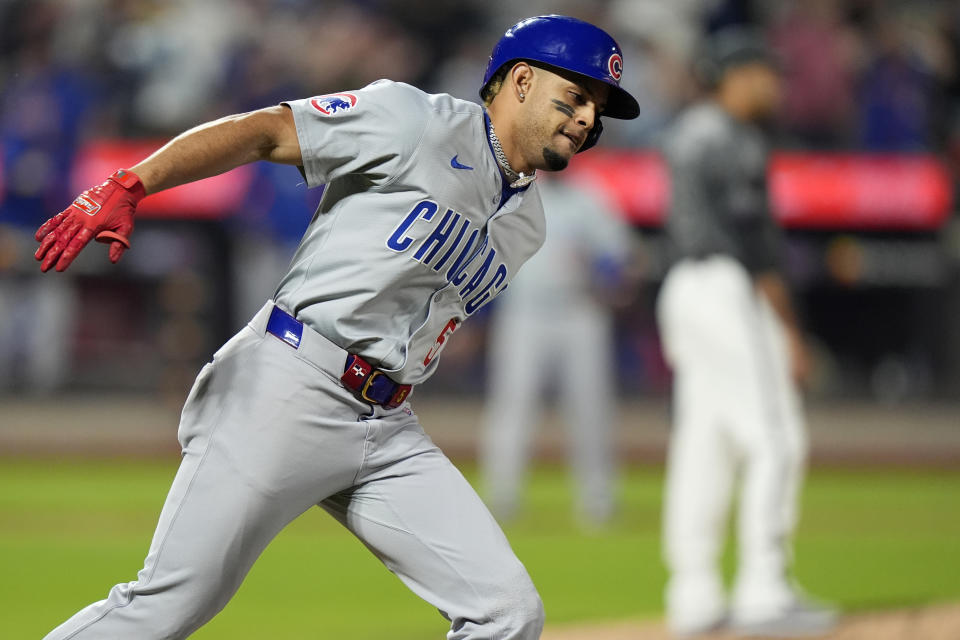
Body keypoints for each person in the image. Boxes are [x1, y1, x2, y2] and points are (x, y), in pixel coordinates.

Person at [33, 15, 639, 640]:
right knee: (169, 604)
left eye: (598, 108)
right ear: (519, 81)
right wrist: (132, 182)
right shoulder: (416, 119)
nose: (589, 118)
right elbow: (264, 132)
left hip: (388, 425)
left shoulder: (528, 224)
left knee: (506, 612)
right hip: (288, 386)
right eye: (576, 96)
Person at [655, 29, 837, 637]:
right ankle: (765, 588)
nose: (771, 82)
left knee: (703, 445)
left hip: (684, 290)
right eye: (759, 71)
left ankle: (694, 593)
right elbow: (759, 250)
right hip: (725, 289)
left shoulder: (687, 131)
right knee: (775, 436)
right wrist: (789, 331)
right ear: (727, 75)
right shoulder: (730, 137)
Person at [480, 174, 639, 527]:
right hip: (525, 312)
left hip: (580, 310)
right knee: (513, 404)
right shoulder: (511, 197)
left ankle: (598, 499)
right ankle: (502, 495)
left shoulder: (588, 198)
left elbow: (620, 253)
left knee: (590, 408)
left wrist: (605, 272)